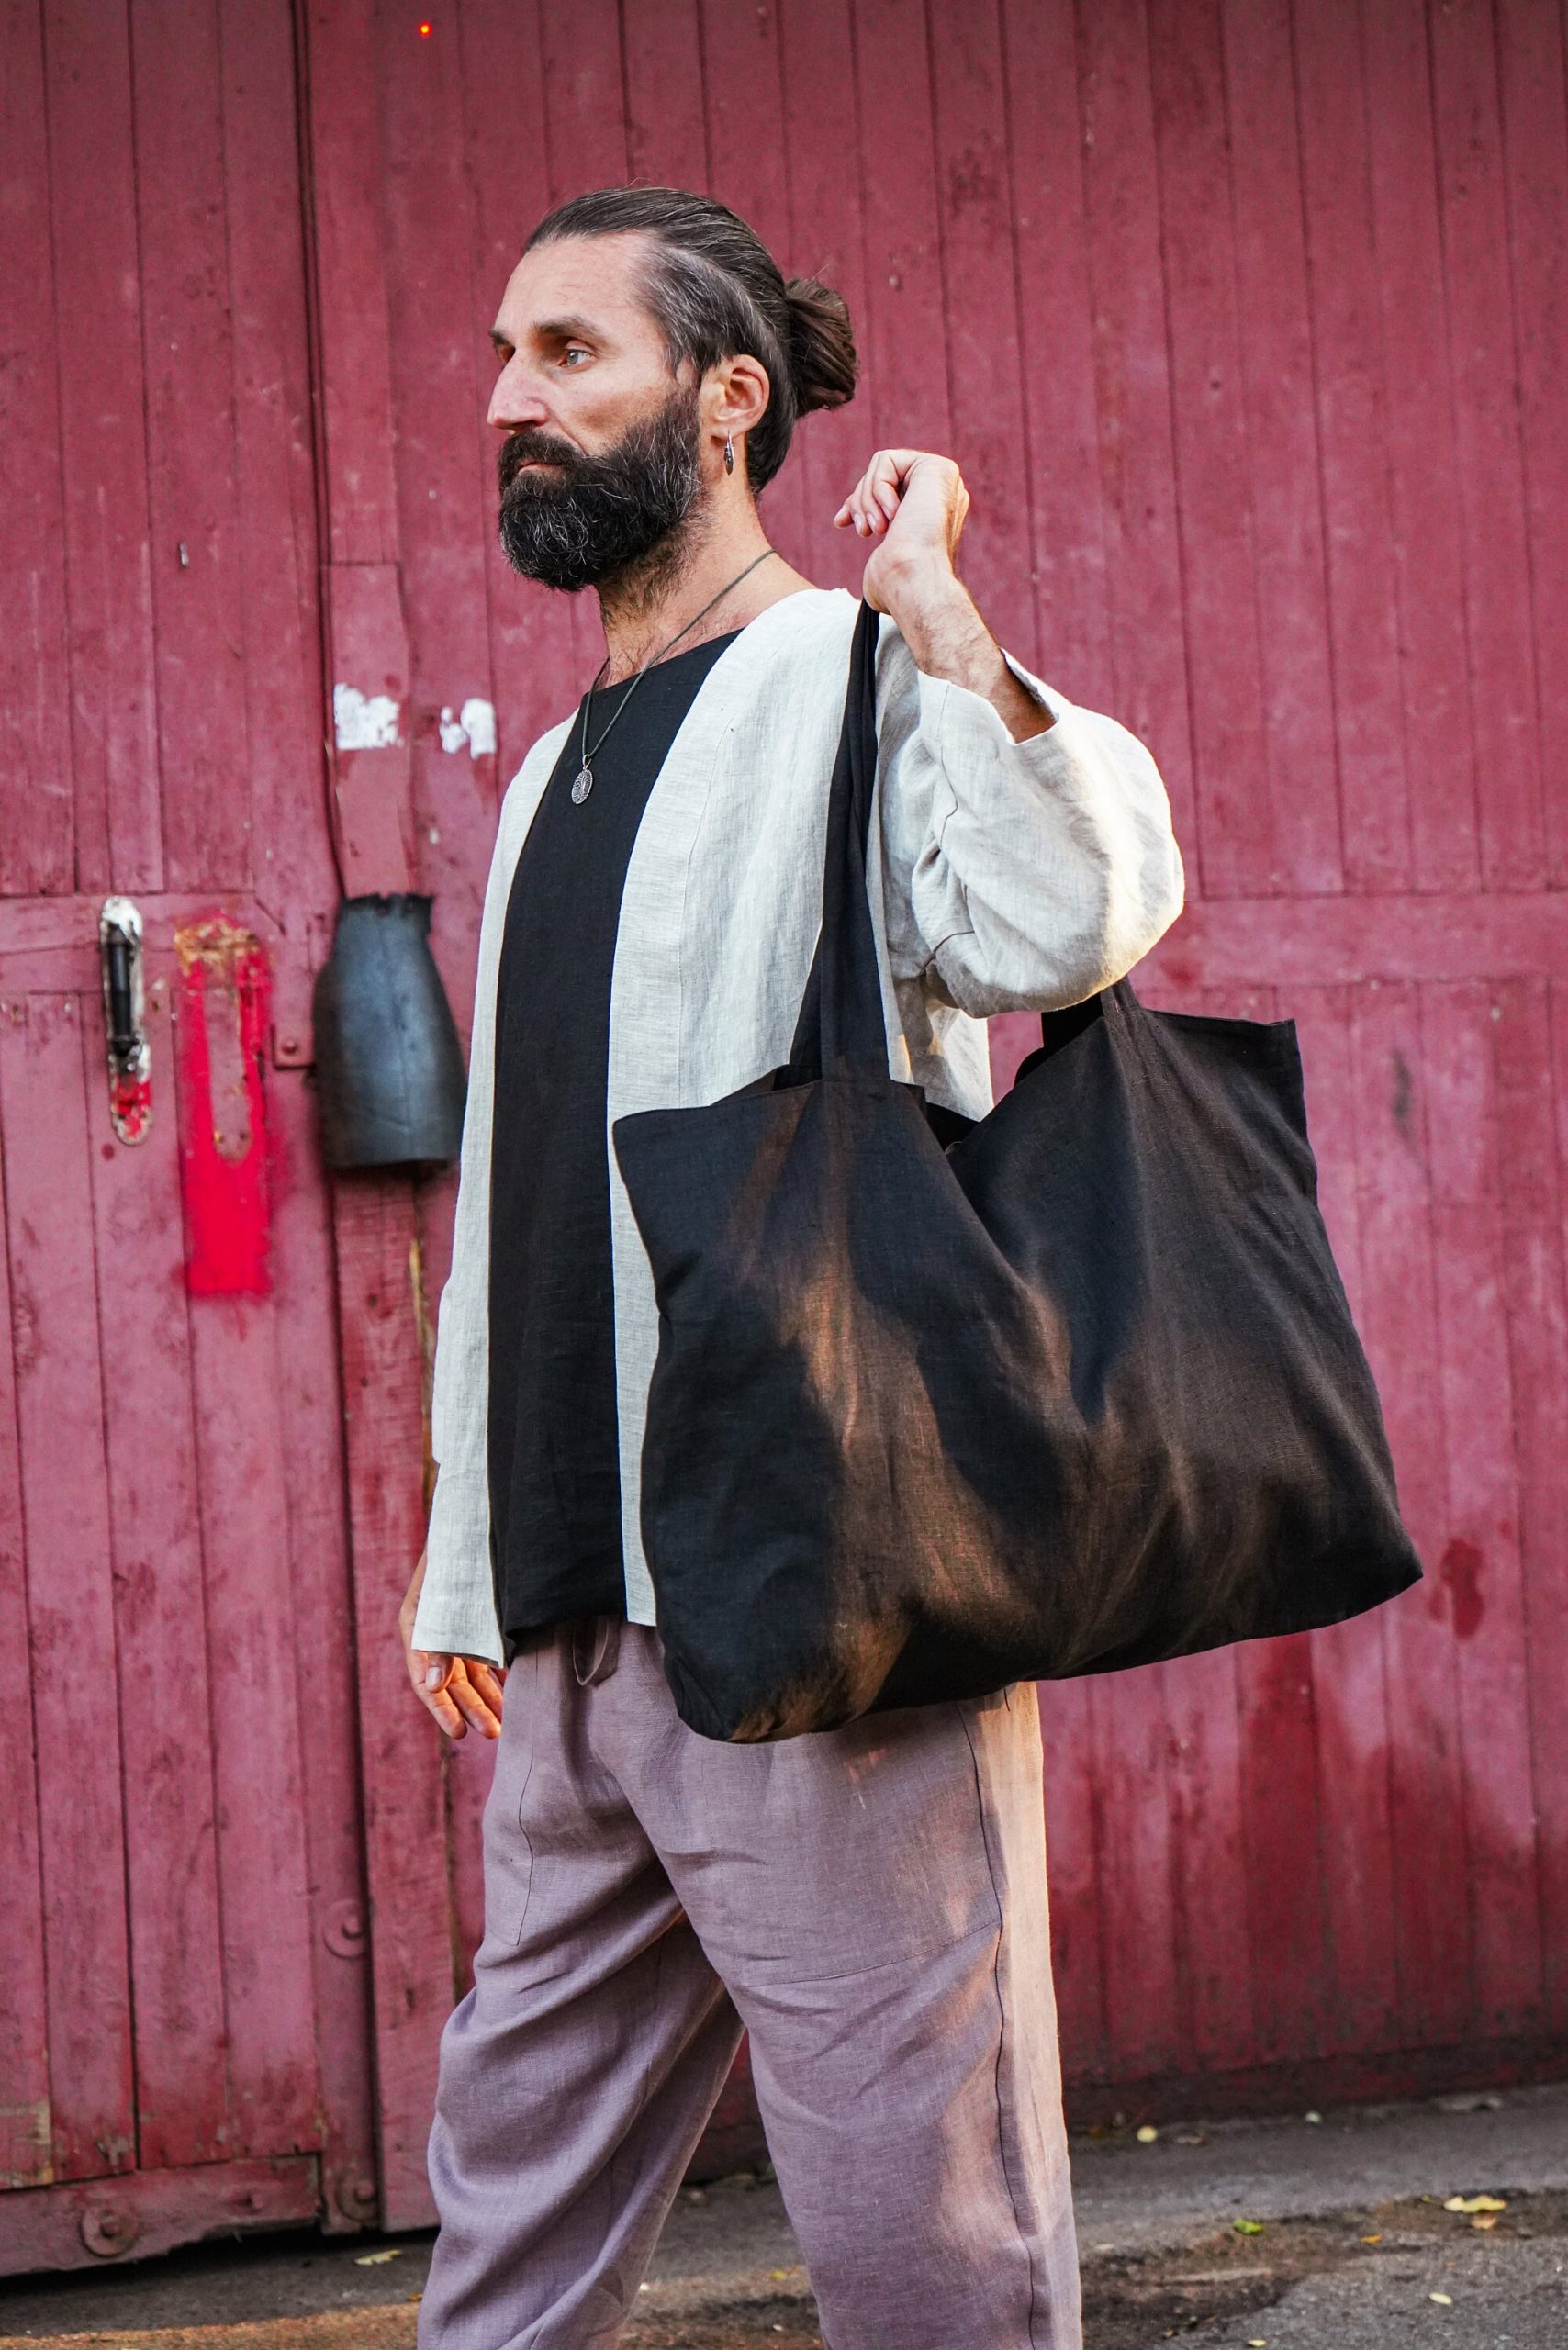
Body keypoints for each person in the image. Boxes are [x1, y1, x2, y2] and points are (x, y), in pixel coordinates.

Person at [399, 185, 1182, 2350]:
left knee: (925, 2235)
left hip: (821, 1592)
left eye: (570, 352)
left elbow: (1074, 912)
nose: (509, 398)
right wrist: (467, 1563)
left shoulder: (847, 677)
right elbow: (518, 1198)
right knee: (508, 2220)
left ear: (726, 396)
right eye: (501, 356)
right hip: (575, 1619)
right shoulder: (549, 769)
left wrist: (936, 612)